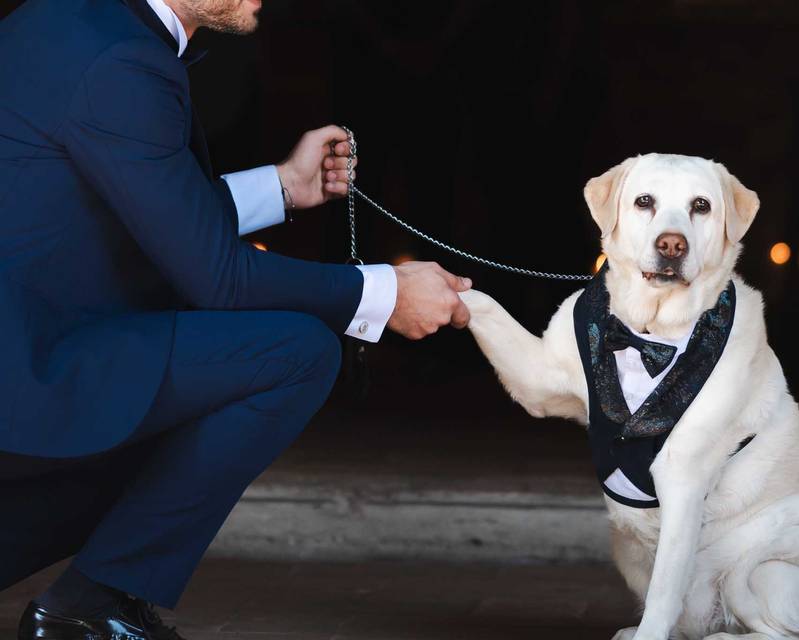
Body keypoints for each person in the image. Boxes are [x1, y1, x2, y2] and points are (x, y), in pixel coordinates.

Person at [0, 1, 472, 638]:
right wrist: (383, 294)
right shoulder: (121, 58)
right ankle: (91, 604)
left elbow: (138, 210)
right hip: (34, 380)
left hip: (29, 361)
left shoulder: (64, 18)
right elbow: (215, 277)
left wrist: (283, 186)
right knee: (293, 352)